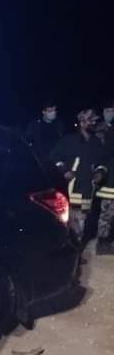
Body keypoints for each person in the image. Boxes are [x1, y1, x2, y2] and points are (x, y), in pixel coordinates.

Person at [50, 107, 108, 244]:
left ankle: (76, 248)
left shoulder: (96, 142)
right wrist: (64, 170)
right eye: (90, 121)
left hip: (88, 191)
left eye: (94, 121)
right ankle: (70, 248)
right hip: (72, 189)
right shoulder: (69, 140)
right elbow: (54, 156)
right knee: (71, 224)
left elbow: (103, 161)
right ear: (82, 123)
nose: (93, 123)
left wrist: (100, 172)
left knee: (82, 224)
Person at [94, 102, 114, 253]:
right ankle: (102, 243)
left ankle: (106, 242)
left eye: (112, 111)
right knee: (106, 214)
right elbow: (101, 155)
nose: (110, 113)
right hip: (108, 180)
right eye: (108, 111)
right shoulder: (101, 130)